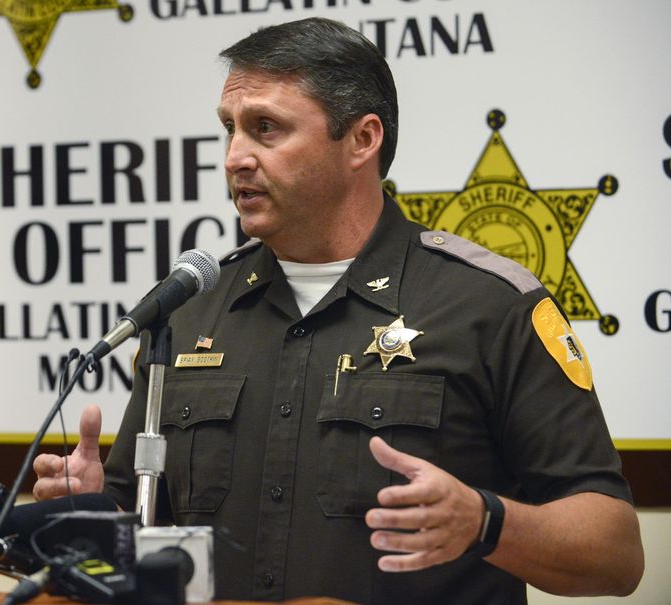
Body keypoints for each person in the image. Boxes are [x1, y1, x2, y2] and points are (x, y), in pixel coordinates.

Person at [33, 17, 643, 603]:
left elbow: (614, 553)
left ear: (362, 139)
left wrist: (484, 522)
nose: (234, 157)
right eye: (230, 128)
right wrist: (92, 511)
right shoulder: (191, 312)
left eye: (265, 128)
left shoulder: (488, 305)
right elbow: (137, 522)